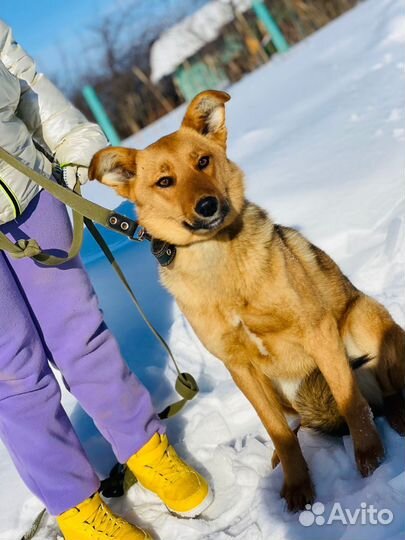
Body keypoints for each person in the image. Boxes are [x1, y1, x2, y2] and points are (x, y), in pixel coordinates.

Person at [0, 19, 212, 540]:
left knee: (83, 336)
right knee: (12, 375)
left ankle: (146, 448)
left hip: (27, 191)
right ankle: (77, 508)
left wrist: (74, 144)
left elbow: (23, 82)